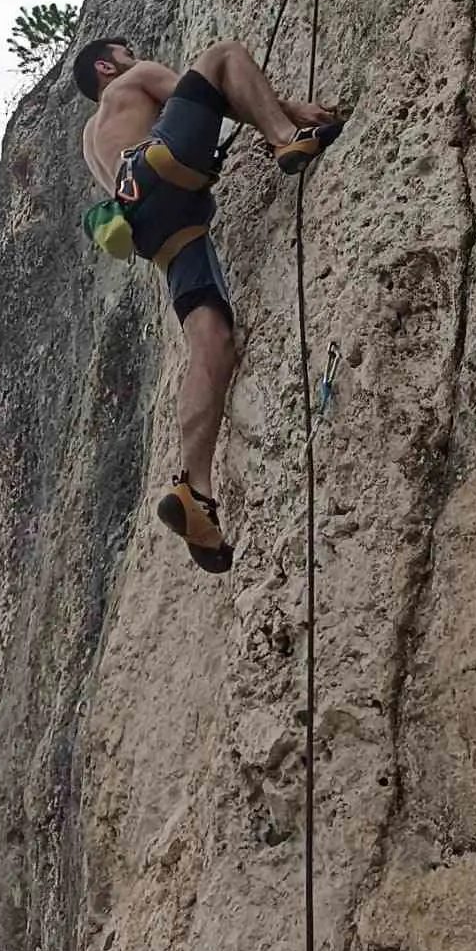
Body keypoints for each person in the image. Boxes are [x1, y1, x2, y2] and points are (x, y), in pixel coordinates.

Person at [73, 36, 343, 573]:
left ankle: (195, 487)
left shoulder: (90, 139)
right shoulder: (135, 79)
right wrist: (288, 109)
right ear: (107, 65)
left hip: (150, 226)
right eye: (124, 52)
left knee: (210, 341)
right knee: (225, 54)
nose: (134, 56)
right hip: (159, 167)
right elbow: (210, 93)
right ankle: (287, 140)